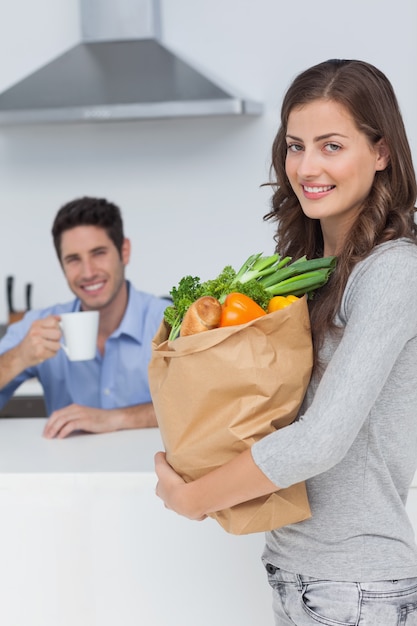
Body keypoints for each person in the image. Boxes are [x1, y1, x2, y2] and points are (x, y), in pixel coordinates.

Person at [154, 59, 417, 624]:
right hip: (295, 571)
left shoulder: (394, 272)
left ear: (381, 152)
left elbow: (319, 441)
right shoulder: (311, 269)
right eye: (295, 146)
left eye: (331, 145)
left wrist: (194, 499)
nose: (307, 166)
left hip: (357, 586)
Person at [0, 196, 169, 439]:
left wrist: (116, 418)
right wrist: (19, 357)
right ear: (62, 266)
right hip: (68, 475)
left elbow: (202, 409)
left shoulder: (167, 322)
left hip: (150, 473)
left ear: (124, 251)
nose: (88, 272)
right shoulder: (39, 326)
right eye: (73, 259)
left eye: (98, 253)